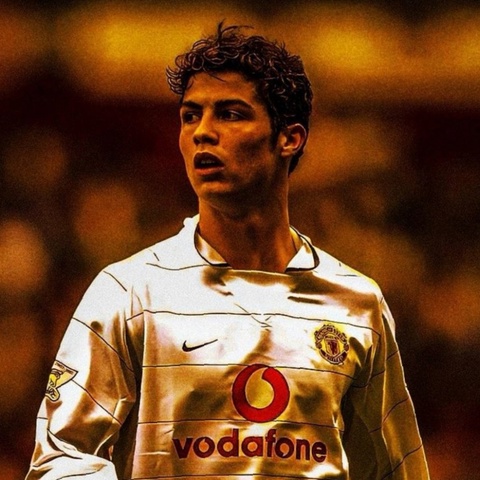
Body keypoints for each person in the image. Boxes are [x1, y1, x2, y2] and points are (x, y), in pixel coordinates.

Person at [26, 23, 430, 480]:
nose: (202, 132)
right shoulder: (129, 292)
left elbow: (398, 470)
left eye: (231, 114)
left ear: (289, 138)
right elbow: (60, 459)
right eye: (190, 116)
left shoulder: (358, 303)